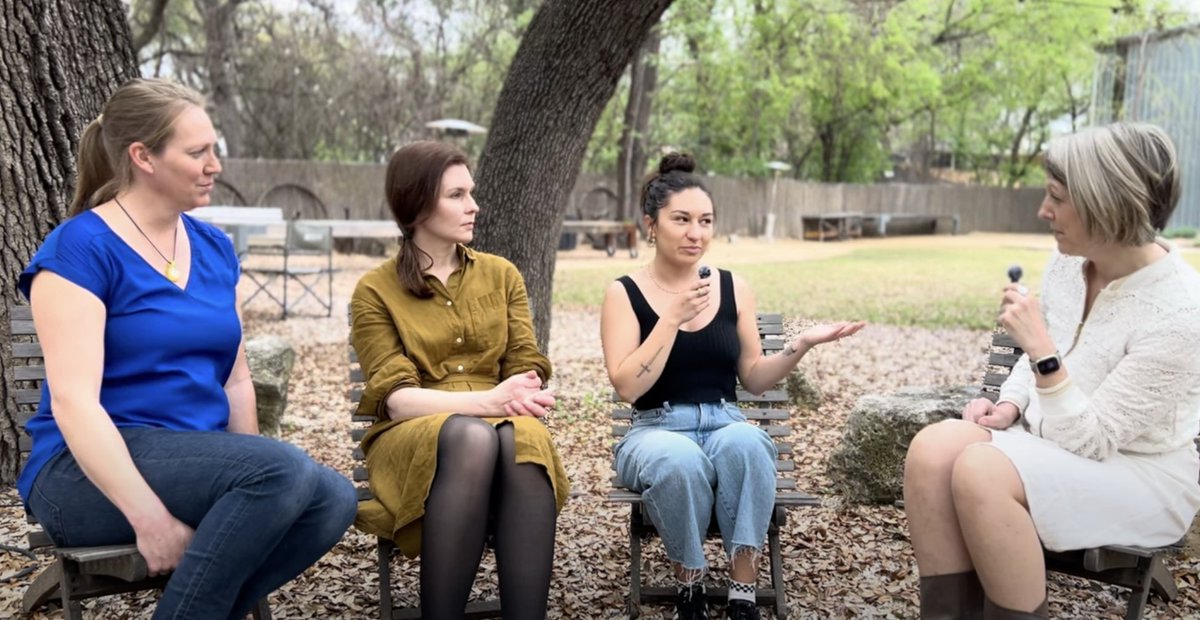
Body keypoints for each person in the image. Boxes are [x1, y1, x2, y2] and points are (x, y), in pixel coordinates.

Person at [17, 78, 357, 619]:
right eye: (197, 152)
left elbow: (236, 379)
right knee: (285, 472)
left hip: (191, 462)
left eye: (214, 149)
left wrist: (260, 468)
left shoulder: (214, 248)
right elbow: (75, 405)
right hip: (86, 474)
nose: (215, 164)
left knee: (332, 498)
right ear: (143, 157)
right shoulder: (79, 250)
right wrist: (148, 517)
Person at [903, 122, 1200, 619]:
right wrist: (1011, 403)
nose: (1044, 211)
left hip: (1139, 472)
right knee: (932, 450)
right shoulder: (1069, 262)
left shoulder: (1179, 311)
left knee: (980, 471)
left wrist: (1043, 352)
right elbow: (1035, 359)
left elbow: (1095, 438)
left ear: (1106, 203)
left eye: (1057, 198)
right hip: (1050, 443)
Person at [600, 153, 864, 620]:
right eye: (681, 220)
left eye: (705, 221)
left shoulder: (733, 286)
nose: (695, 233)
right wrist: (671, 320)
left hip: (723, 420)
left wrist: (800, 345)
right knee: (676, 459)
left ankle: (743, 593)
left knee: (748, 442)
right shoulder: (623, 292)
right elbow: (626, 386)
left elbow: (754, 376)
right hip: (655, 428)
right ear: (651, 224)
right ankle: (691, 588)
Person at [350, 141, 569, 620]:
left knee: (525, 439)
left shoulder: (501, 275)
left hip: (501, 422)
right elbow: (397, 401)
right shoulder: (376, 290)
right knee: (472, 436)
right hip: (413, 437)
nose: (474, 205)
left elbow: (523, 363)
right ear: (417, 203)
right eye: (457, 195)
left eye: (470, 192)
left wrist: (525, 388)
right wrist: (492, 401)